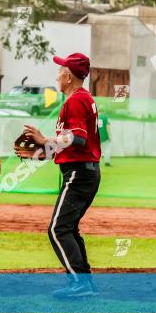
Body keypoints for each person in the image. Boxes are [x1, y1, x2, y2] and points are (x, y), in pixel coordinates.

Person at [16, 53, 101, 299]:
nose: (57, 75)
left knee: (57, 229)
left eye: (60, 70)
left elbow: (78, 138)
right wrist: (47, 151)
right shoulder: (82, 98)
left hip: (80, 174)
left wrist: (45, 140)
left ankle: (80, 283)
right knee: (68, 228)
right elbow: (74, 142)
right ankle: (84, 282)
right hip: (84, 171)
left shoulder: (75, 101)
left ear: (68, 76)